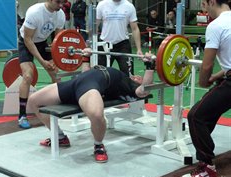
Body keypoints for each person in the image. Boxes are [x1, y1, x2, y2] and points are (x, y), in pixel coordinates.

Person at [28, 49, 156, 163]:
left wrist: (150, 65)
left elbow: (144, 90)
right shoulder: (125, 75)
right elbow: (85, 71)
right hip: (75, 84)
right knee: (33, 101)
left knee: (96, 115)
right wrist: (85, 57)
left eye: (140, 78)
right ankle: (60, 137)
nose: (138, 77)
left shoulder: (129, 86)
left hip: (89, 88)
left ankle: (98, 145)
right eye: (138, 76)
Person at [180, 0, 231, 177]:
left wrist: (203, 82)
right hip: (228, 77)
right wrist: (218, 76)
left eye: (204, 4)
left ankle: (207, 168)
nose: (203, 9)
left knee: (196, 116)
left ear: (212, 2)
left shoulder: (215, 25)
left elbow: (207, 64)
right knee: (210, 110)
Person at [17, 0, 65, 129]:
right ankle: (22, 115)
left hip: (42, 42)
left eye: (63, 2)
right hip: (26, 42)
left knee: (56, 75)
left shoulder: (60, 14)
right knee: (28, 76)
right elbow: (28, 39)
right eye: (58, 2)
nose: (61, 5)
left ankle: (59, 109)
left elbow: (58, 39)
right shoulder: (34, 12)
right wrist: (42, 61)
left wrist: (55, 59)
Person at [88, 0, 143, 77]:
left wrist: (139, 49)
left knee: (128, 75)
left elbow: (135, 29)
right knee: (100, 75)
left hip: (123, 45)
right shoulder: (102, 5)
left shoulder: (129, 6)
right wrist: (91, 45)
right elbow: (94, 27)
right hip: (104, 44)